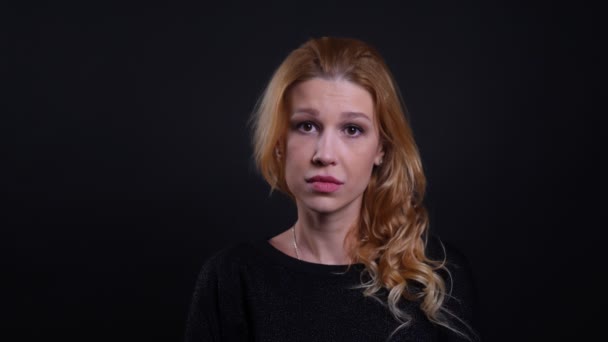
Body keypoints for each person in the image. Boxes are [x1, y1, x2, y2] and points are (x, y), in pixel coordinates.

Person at [184, 36, 479, 341]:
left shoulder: (437, 277)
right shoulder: (233, 277)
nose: (325, 154)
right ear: (280, 141)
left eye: (352, 129)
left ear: (381, 148)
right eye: (306, 126)